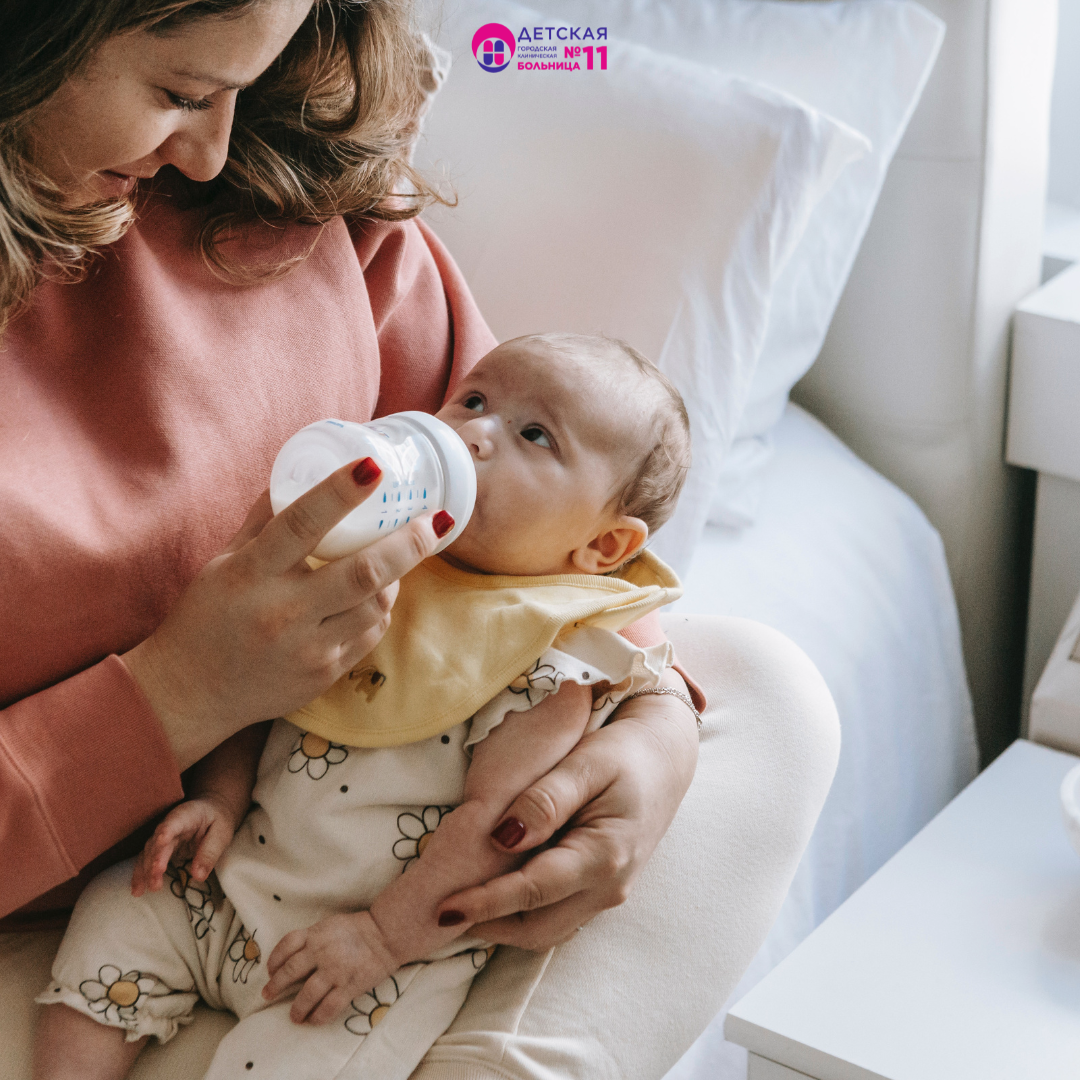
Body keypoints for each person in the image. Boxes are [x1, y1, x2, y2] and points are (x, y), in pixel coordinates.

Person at [0, 2, 840, 1078]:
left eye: (245, 86)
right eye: (181, 92)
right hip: (76, 912)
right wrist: (177, 698)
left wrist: (651, 735)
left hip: (342, 932)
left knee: (764, 691)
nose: (211, 154)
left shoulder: (297, 192)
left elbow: (546, 542)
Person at [34, 332, 695, 1080]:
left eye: (535, 435)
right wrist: (219, 798)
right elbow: (253, 689)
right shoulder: (365, 556)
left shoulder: (546, 657)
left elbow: (496, 829)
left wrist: (384, 937)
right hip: (227, 883)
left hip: (361, 952)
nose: (474, 432)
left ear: (602, 548)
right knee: (119, 910)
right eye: (473, 400)